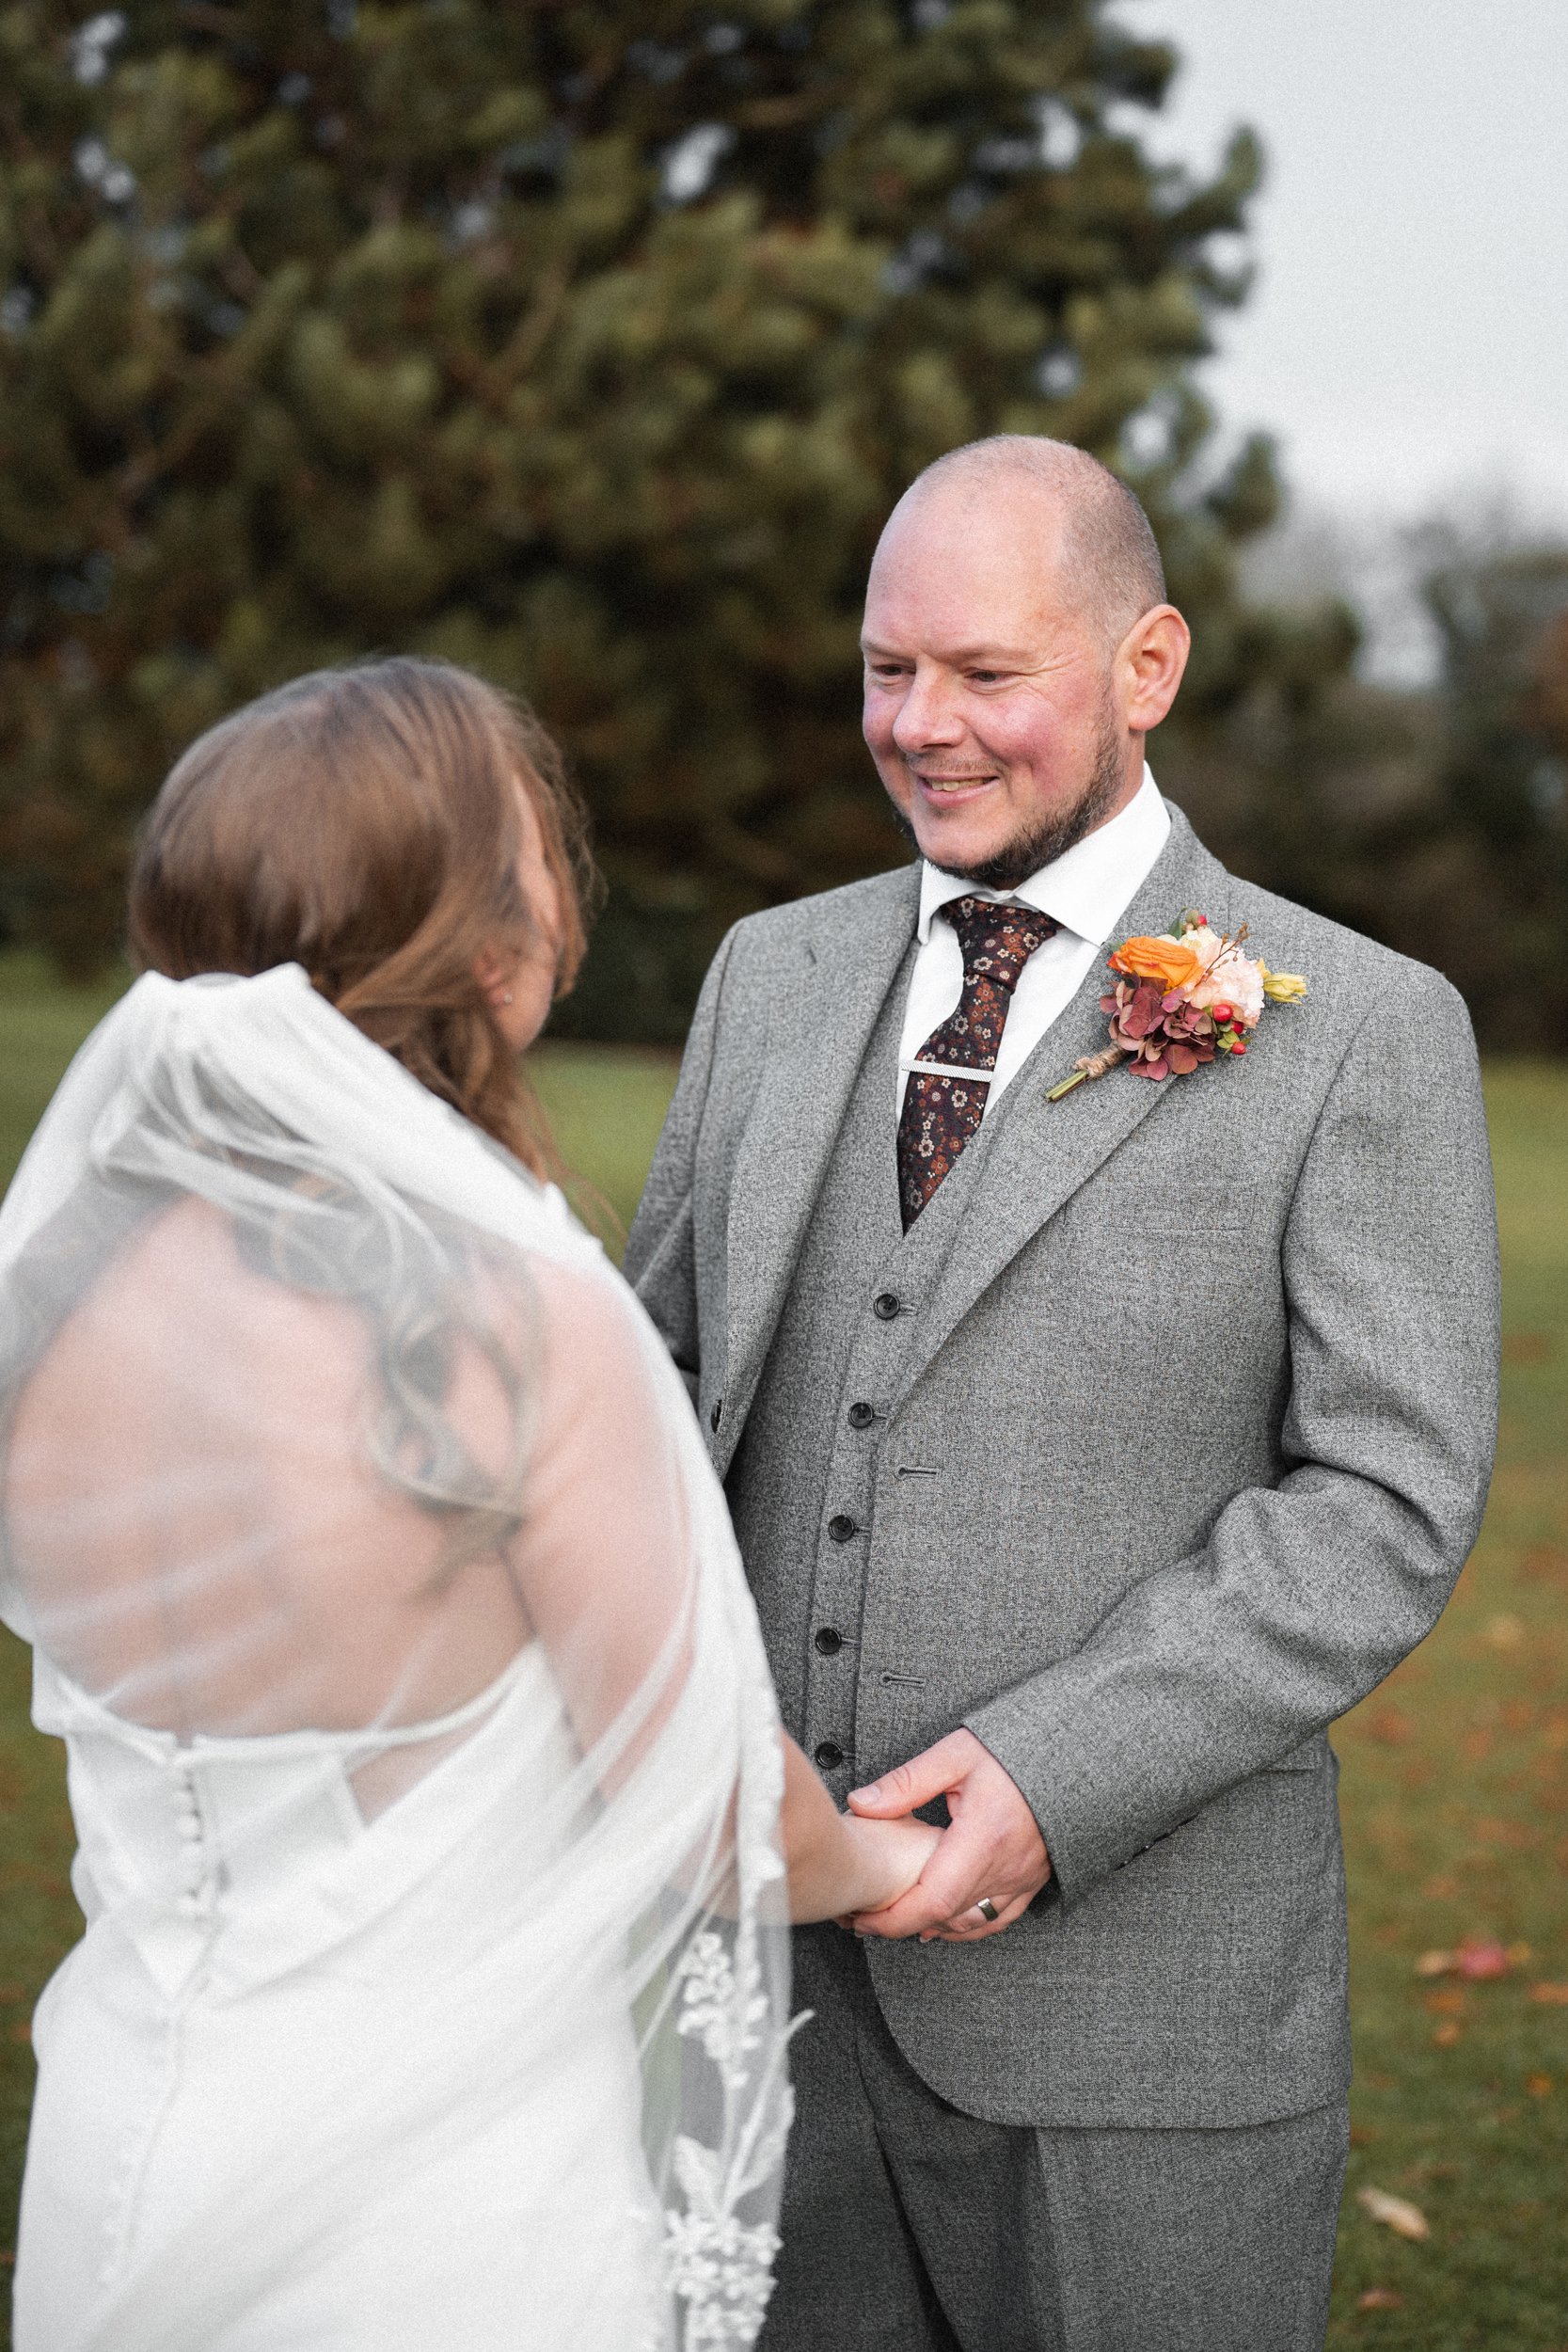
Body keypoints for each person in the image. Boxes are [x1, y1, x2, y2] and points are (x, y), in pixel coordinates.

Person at [626, 437, 1500, 2352]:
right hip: (749, 1999)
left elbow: (1384, 1497)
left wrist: (1053, 1773)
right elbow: (649, 1395)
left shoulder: (1356, 1027)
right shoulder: (767, 976)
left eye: (985, 674)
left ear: (1146, 667)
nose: (918, 724)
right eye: (885, 668)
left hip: (1139, 2028)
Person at [0, 658, 938, 2352]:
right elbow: (716, 1798)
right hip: (441, 2210)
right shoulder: (508, 1325)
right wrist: (885, 1856)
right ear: (483, 941)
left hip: (125, 2141)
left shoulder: (53, 1292)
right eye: (536, 846)